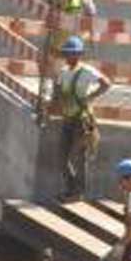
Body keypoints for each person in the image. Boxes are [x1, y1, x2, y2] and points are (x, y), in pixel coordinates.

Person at [51, 36, 110, 200]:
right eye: (67, 54)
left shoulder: (86, 71)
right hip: (67, 119)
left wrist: (90, 97)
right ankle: (71, 188)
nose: (69, 57)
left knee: (79, 158)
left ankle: (78, 193)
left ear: (78, 54)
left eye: (72, 53)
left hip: (81, 121)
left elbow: (106, 83)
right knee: (62, 158)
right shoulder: (63, 72)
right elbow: (57, 93)